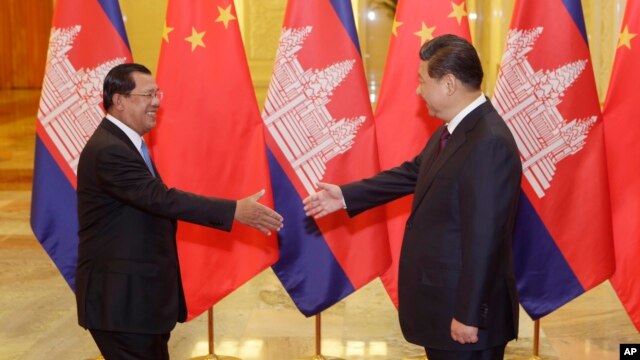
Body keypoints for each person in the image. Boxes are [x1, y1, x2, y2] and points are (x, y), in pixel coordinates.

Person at [303, 34, 521, 360]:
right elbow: (411, 174)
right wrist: (346, 196)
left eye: (422, 81)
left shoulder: (487, 142)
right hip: (444, 307)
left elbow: (485, 238)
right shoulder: (455, 130)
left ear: (449, 84)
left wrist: (468, 313)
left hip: (466, 319)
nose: (418, 91)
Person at [75, 63, 283, 360]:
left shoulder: (125, 144)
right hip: (121, 304)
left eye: (157, 93)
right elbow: (161, 199)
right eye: (147, 94)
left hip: (138, 303)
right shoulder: (110, 149)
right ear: (119, 100)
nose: (157, 101)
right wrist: (233, 210)